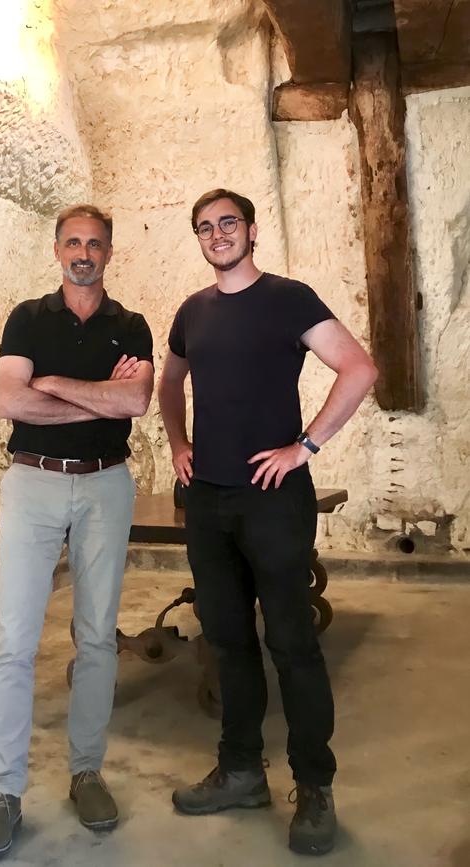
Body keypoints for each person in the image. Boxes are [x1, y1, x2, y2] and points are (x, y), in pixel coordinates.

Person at [158, 188, 377, 856]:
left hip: (273, 500)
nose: (217, 233)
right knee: (226, 640)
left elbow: (359, 366)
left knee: (292, 643)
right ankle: (242, 769)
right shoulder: (191, 311)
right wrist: (178, 443)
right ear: (198, 238)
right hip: (208, 502)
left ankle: (314, 787)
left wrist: (305, 445)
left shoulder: (289, 298)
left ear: (251, 230)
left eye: (228, 222)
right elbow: (170, 385)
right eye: (205, 226)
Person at [0, 205, 154, 859]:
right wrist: (93, 391)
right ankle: (3, 792)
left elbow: (134, 402)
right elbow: (11, 401)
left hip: (106, 483)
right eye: (73, 241)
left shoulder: (130, 325)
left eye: (95, 242)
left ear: (109, 252)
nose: (83, 251)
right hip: (34, 481)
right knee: (14, 639)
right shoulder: (27, 318)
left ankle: (86, 770)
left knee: (97, 636)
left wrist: (52, 382)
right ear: (57, 249)